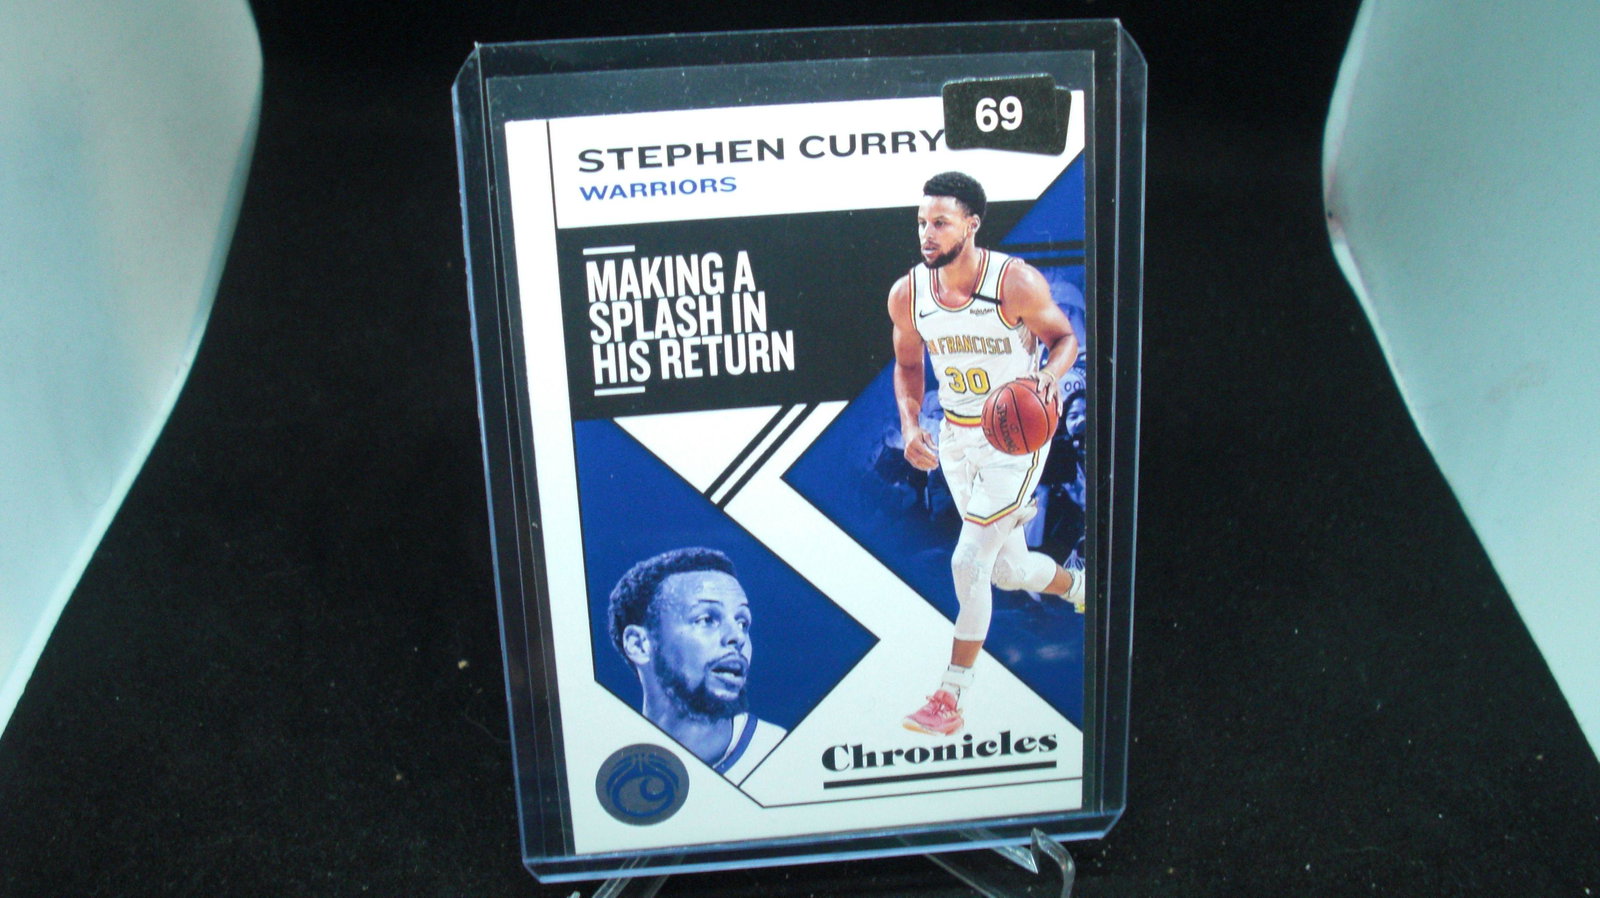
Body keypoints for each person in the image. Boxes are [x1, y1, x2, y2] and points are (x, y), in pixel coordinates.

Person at [886, 171, 1086, 736]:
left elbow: (1065, 339)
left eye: (940, 222)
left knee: (967, 561)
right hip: (957, 435)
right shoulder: (908, 294)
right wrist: (910, 426)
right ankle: (1081, 587)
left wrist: (1047, 377)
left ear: (971, 225)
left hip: (1016, 439)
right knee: (1007, 570)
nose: (927, 234)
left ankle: (949, 698)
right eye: (922, 222)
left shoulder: (1013, 282)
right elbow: (908, 365)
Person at [608, 547, 785, 781]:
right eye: (707, 619)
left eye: (742, 622)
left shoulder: (781, 752)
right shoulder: (603, 756)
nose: (737, 636)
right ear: (639, 645)